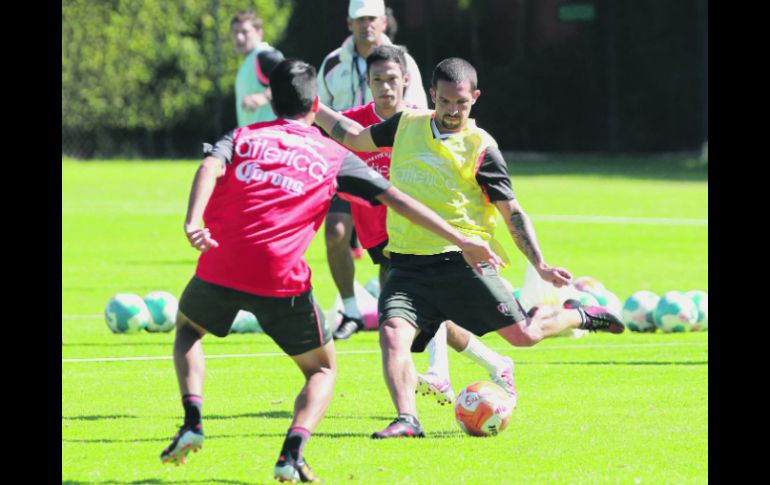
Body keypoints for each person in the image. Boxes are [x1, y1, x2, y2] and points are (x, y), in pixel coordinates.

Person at [159, 59, 501, 481]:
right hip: (281, 277)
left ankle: (192, 421)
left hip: (221, 263)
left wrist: (193, 221)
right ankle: (292, 454)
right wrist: (463, 239)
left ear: (271, 100)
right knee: (321, 370)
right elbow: (400, 200)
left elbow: (210, 165)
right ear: (315, 104)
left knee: (189, 332)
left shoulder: (243, 136)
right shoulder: (330, 153)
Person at [313, 57, 625, 438]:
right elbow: (353, 136)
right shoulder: (407, 125)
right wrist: (313, 107)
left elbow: (512, 211)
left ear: (474, 98)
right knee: (393, 333)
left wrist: (540, 264)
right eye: (444, 102)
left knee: (524, 335)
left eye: (461, 103)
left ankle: (580, 314)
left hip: (462, 262)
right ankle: (408, 420)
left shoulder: (481, 146)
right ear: (432, 96)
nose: (452, 111)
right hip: (408, 266)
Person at [332, 44, 518, 406]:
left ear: (406, 81)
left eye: (392, 80)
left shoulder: (423, 125)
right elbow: (332, 151)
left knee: (420, 312)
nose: (385, 88)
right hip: (379, 236)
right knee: (429, 318)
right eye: (377, 81)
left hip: (423, 239)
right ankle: (494, 362)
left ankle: (440, 377)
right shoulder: (356, 122)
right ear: (367, 83)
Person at [317, 0, 428, 340]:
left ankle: (390, 318)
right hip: (344, 162)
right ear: (349, 23)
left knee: (389, 252)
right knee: (335, 233)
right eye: (360, 18)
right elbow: (318, 112)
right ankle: (351, 310)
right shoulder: (333, 62)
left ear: (384, 21)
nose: (367, 25)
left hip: (390, 167)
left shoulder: (402, 59)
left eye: (372, 18)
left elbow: (419, 110)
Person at [231, 9, 285, 127]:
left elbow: (291, 80)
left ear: (259, 33)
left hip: (270, 138)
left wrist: (264, 96)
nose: (239, 37)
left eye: (245, 32)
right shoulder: (249, 61)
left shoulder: (264, 55)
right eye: (235, 32)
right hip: (255, 139)